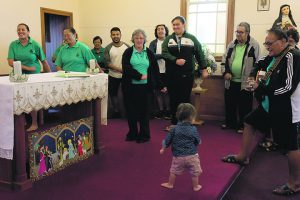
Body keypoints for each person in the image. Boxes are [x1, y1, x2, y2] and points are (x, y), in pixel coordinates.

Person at [222, 28, 300, 196]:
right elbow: (260, 64)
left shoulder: (293, 56)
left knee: (291, 145)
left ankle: (295, 184)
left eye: (269, 43)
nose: (267, 47)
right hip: (269, 105)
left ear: (282, 42)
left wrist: (261, 87)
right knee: (249, 121)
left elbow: (287, 88)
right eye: (266, 43)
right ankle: (243, 156)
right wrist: (251, 76)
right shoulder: (274, 54)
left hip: (286, 108)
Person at [162, 16, 208, 130]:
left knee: (185, 99)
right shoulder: (168, 39)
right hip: (172, 75)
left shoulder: (192, 38)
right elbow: (164, 53)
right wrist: (175, 60)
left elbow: (199, 54)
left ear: (184, 25)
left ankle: (184, 124)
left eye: (178, 24)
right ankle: (174, 123)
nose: (175, 27)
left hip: (187, 75)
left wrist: (204, 68)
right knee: (173, 99)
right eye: (173, 25)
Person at [122, 29, 166, 143]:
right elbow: (126, 67)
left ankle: (144, 135)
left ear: (144, 39)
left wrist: (161, 85)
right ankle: (132, 133)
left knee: (144, 112)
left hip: (146, 89)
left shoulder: (149, 53)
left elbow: (155, 70)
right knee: (131, 112)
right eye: (136, 38)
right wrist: (139, 76)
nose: (139, 40)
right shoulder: (128, 52)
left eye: (141, 38)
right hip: (130, 88)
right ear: (133, 39)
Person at [7, 23, 51, 131]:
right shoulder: (13, 44)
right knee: (18, 97)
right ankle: (22, 121)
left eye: (23, 29)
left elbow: (44, 61)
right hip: (18, 76)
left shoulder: (35, 44)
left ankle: (34, 123)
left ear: (28, 32)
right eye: (18, 30)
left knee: (33, 98)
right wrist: (26, 67)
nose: (20, 31)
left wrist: (50, 75)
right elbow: (10, 61)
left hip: (33, 76)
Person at [222, 22, 261, 133]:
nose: (238, 34)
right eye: (237, 32)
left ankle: (242, 126)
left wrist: (253, 78)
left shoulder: (254, 45)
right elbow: (224, 60)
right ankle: (230, 123)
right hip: (231, 81)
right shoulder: (231, 44)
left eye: (241, 32)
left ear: (247, 33)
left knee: (245, 106)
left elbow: (258, 63)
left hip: (245, 82)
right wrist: (226, 73)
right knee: (230, 104)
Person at [160, 103, 202, 191]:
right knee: (195, 172)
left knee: (173, 171)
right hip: (192, 156)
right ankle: (196, 186)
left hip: (178, 156)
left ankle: (170, 184)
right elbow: (198, 141)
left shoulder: (173, 129)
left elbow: (167, 140)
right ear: (191, 117)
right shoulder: (193, 129)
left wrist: (163, 148)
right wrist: (197, 142)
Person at [104, 27, 130, 118]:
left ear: (120, 35)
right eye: (113, 34)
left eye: (117, 34)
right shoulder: (107, 48)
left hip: (126, 76)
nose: (115, 36)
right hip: (113, 75)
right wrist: (120, 70)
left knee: (127, 94)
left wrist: (126, 71)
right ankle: (116, 111)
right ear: (111, 36)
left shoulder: (127, 46)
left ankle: (127, 111)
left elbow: (132, 59)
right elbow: (107, 63)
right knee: (113, 94)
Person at [149, 24, 171, 120]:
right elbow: (151, 55)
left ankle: (168, 111)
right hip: (156, 71)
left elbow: (172, 55)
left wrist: (161, 55)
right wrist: (163, 55)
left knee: (166, 92)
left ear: (165, 31)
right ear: (156, 32)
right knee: (158, 92)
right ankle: (161, 110)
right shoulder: (153, 43)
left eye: (162, 29)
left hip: (168, 71)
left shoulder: (170, 41)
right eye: (158, 29)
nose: (160, 31)